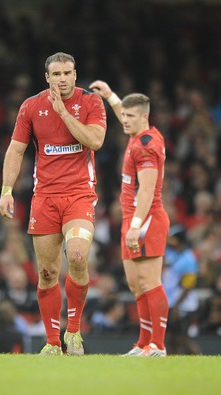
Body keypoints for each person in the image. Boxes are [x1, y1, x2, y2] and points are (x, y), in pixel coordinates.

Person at [0, 52, 107, 356]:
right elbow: (16, 150)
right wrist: (6, 189)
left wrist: (63, 111)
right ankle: (51, 342)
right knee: (46, 273)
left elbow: (95, 141)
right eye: (56, 74)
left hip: (79, 195)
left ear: (75, 75)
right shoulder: (31, 107)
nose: (62, 79)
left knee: (76, 256)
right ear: (47, 77)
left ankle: (73, 332)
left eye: (68, 73)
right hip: (44, 198)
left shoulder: (91, 103)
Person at [89, 80, 170, 356]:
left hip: (146, 220)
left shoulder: (147, 145)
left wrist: (136, 226)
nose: (124, 120)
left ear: (144, 117)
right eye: (123, 114)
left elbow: (147, 190)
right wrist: (111, 96)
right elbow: (124, 112)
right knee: (137, 286)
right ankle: (143, 343)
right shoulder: (138, 136)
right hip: (132, 220)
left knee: (150, 282)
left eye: (130, 116)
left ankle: (157, 345)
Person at [163, 224, 200, 354]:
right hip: (171, 302)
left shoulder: (188, 258)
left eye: (172, 238)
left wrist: (177, 306)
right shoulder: (172, 253)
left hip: (184, 305)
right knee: (172, 338)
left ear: (179, 240)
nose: (168, 240)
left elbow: (188, 286)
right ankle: (175, 364)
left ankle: (199, 362)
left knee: (184, 338)